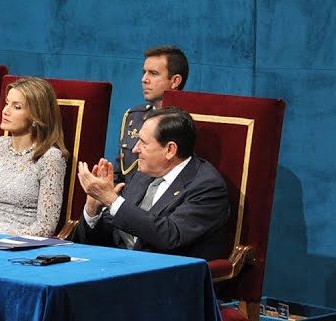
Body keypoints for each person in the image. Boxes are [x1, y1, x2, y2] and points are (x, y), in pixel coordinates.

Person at [73, 106, 229, 260]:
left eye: (143, 142)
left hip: (167, 276)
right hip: (119, 267)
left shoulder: (207, 186)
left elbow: (170, 236)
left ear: (170, 150)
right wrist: (93, 209)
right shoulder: (142, 174)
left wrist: (111, 200)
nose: (135, 149)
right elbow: (113, 232)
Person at [0, 77, 68, 237]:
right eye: (7, 103)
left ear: (36, 116)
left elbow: (45, 227)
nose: (5, 110)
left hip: (22, 245)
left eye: (16, 107)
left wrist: (6, 238)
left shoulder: (51, 158)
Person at [116, 46, 188, 181]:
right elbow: (119, 172)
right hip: (126, 197)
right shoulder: (134, 117)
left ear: (175, 81)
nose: (144, 79)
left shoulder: (185, 126)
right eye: (144, 72)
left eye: (153, 73)